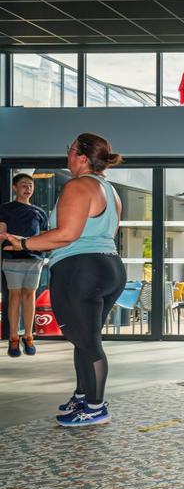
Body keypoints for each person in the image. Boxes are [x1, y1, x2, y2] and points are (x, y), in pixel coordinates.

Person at [0, 133, 126, 427]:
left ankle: (95, 408)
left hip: (80, 270)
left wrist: (23, 243)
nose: (67, 154)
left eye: (70, 150)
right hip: (110, 268)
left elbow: (67, 235)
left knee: (87, 342)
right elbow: (101, 233)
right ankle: (83, 396)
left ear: (81, 157)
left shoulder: (78, 186)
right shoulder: (110, 190)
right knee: (85, 339)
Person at [0, 173, 49, 357]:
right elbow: (1, 233)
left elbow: (44, 237)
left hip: (35, 259)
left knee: (30, 296)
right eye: (23, 185)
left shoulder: (40, 212)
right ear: (15, 187)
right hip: (12, 258)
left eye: (30, 185)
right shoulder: (5, 208)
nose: (28, 188)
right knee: (14, 297)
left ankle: (28, 336)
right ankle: (13, 338)